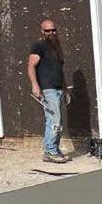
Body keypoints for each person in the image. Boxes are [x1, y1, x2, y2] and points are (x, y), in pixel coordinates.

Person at [27, 17, 70, 163]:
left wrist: (65, 90)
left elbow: (60, 71)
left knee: (56, 121)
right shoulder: (38, 46)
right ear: (42, 31)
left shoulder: (57, 48)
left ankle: (51, 149)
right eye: (47, 30)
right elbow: (31, 66)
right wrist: (35, 85)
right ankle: (51, 151)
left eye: (53, 30)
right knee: (54, 120)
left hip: (58, 89)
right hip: (47, 89)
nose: (51, 33)